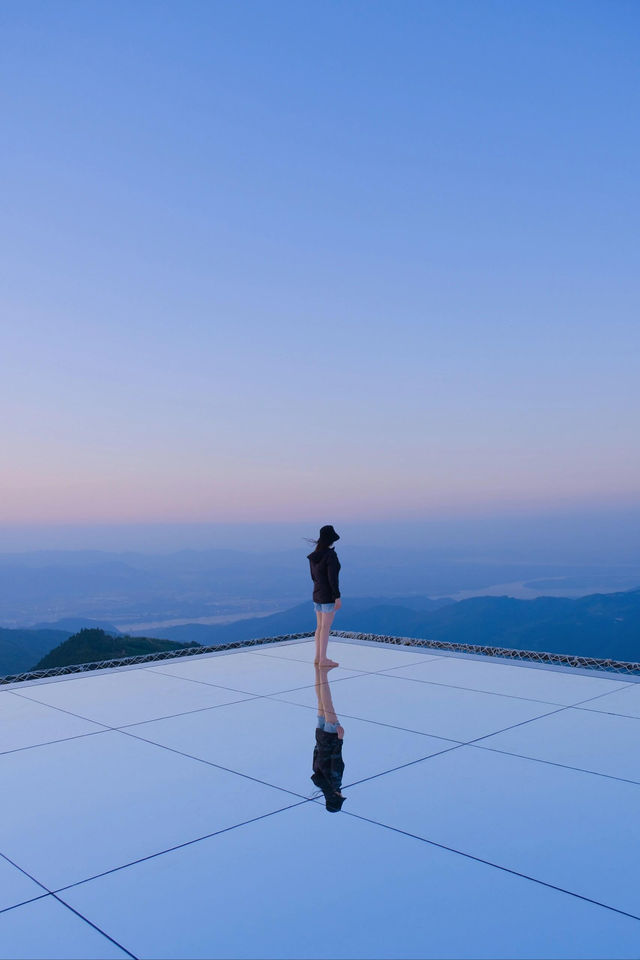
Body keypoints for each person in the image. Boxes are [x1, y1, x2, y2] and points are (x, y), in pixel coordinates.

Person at [311, 664, 346, 812]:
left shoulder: (334, 782)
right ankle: (318, 670)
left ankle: (323, 672)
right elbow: (315, 753)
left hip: (331, 738)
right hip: (320, 737)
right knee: (320, 702)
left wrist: (339, 739)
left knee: (327, 703)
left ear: (336, 796)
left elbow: (336, 759)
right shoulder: (319, 779)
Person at [307, 524, 342, 667]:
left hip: (317, 594)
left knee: (320, 627)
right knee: (326, 628)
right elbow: (332, 578)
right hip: (328, 596)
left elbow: (313, 577)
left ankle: (318, 657)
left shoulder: (314, 556)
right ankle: (323, 659)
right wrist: (337, 596)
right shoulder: (330, 555)